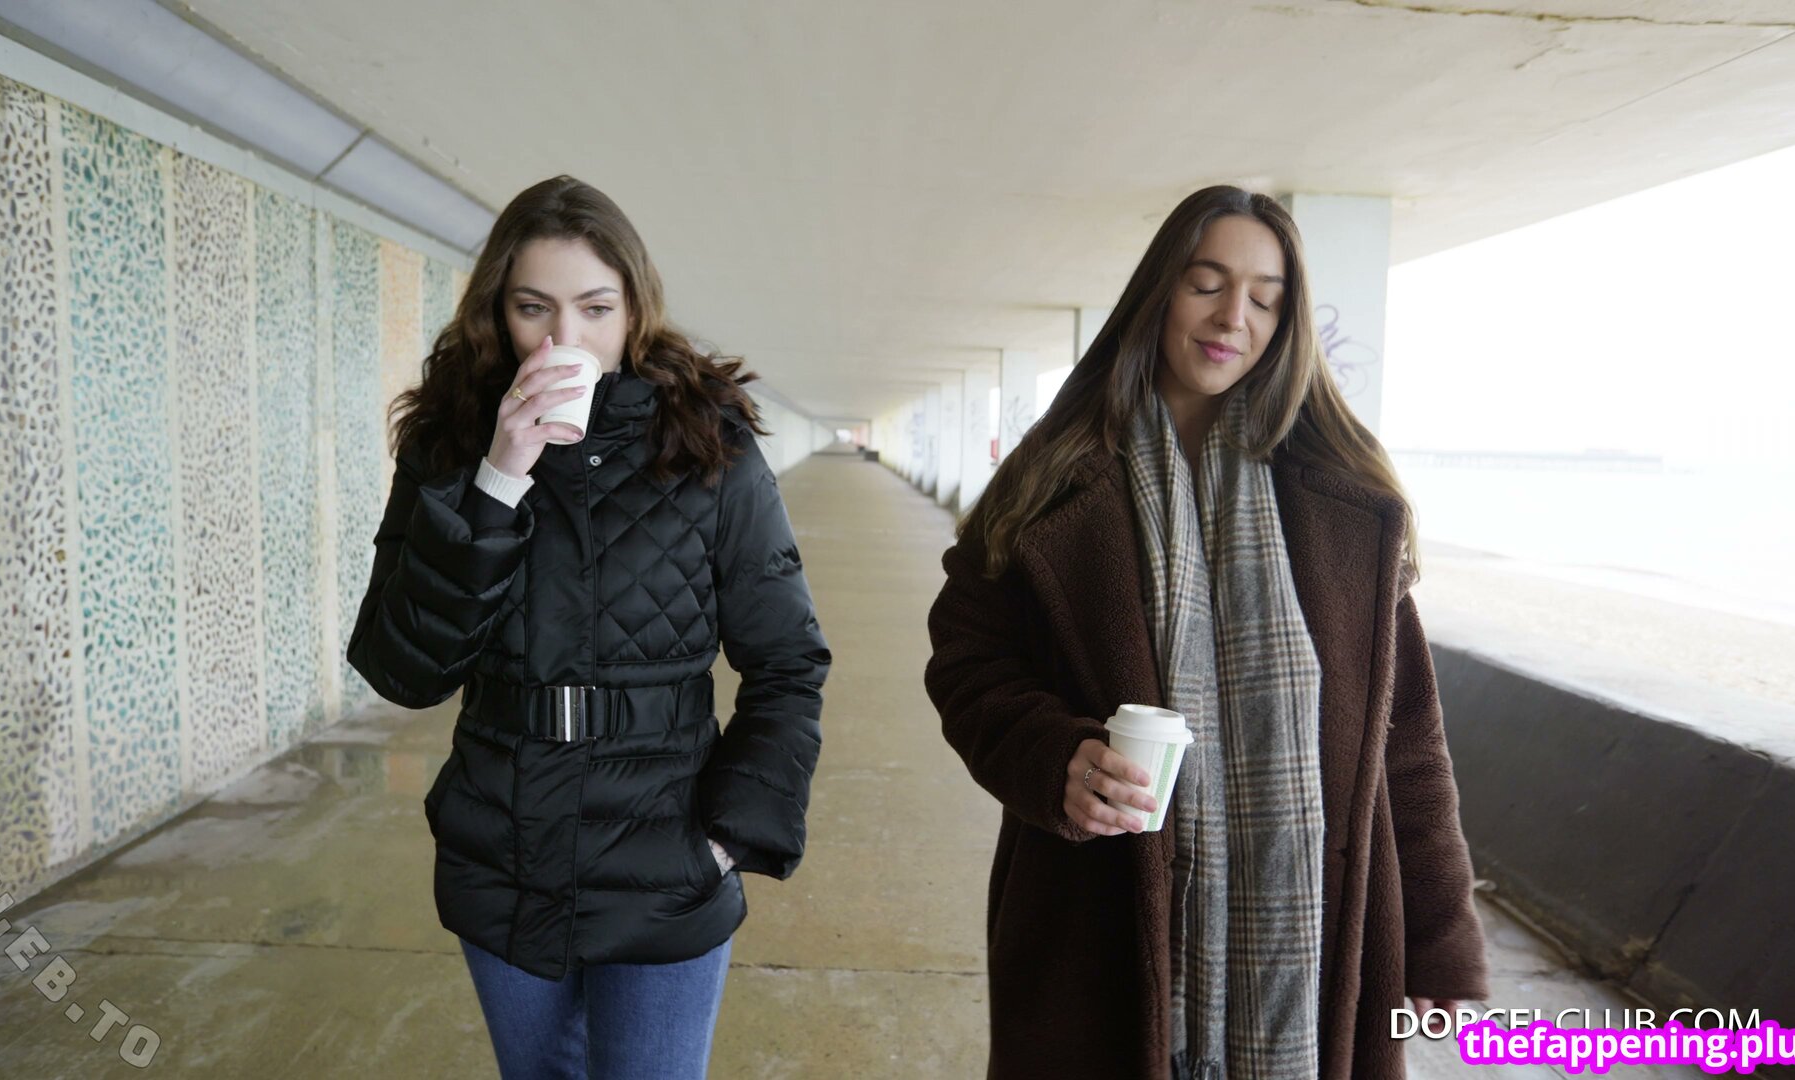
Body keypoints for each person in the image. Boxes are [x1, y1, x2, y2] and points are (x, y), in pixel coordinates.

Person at [923, 185, 1487, 1080]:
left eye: (1265, 298)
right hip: (1095, 920)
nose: (1234, 317)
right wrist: (1054, 757)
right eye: (1208, 284)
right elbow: (968, 664)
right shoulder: (1051, 482)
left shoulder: (1345, 502)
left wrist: (1439, 937)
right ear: (1158, 294)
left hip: (1320, 940)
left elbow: (1408, 741)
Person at [347, 175, 830, 1080]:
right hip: (504, 853)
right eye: (534, 308)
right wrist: (499, 478)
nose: (563, 340)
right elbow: (403, 669)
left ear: (634, 309)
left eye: (595, 309)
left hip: (668, 859)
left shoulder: (709, 443)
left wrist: (727, 838)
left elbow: (788, 662)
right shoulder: (450, 439)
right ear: (498, 310)